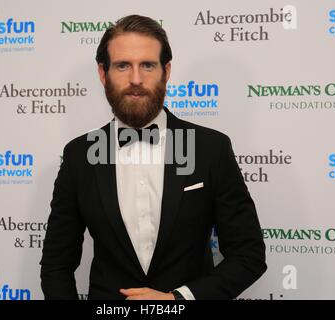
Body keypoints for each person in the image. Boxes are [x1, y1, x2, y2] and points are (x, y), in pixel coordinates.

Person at [40, 14, 266, 300]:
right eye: (123, 66)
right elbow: (56, 264)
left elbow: (249, 255)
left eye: (147, 65)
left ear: (166, 71)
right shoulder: (79, 156)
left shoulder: (210, 148)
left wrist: (178, 299)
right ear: (102, 73)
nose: (136, 79)